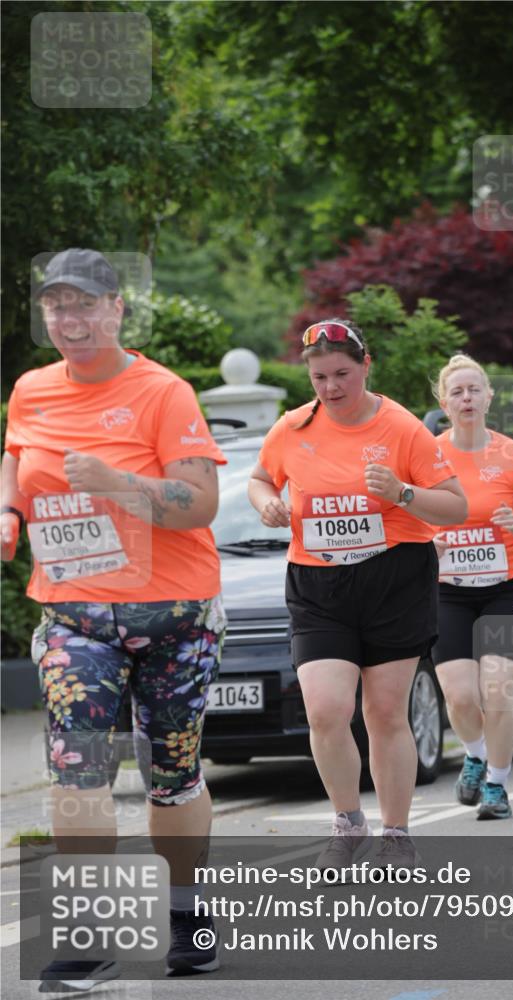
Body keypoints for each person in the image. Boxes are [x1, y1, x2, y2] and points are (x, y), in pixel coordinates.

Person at [1, 249, 227, 989]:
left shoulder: (163, 393)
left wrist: (117, 482)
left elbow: (199, 504)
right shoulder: (31, 389)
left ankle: (186, 913)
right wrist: (8, 511)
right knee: (79, 770)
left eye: (85, 304)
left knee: (172, 777)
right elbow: (16, 457)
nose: (70, 319)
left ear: (116, 309)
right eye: (56, 306)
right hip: (75, 618)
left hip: (174, 617)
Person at [248, 319, 467, 868]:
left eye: (342, 374)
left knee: (385, 712)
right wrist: (266, 503)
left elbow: (455, 506)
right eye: (319, 377)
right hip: (318, 583)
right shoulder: (292, 427)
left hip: (394, 577)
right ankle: (348, 824)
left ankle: (396, 834)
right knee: (325, 710)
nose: (330, 387)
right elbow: (260, 478)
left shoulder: (402, 428)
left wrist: (402, 492)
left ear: (366, 366)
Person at [431, 353, 513, 820]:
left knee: (497, 691)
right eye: (457, 392)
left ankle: (497, 786)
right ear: (444, 402)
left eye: (474, 389)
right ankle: (476, 754)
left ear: (489, 397)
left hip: (507, 589)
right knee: (460, 695)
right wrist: (429, 543)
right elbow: (407, 520)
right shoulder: (428, 454)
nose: (466, 398)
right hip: (447, 590)